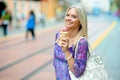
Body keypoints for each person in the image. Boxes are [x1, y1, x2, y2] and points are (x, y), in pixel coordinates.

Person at [53, 4, 89, 80]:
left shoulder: (82, 42)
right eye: (67, 15)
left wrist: (66, 51)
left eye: (74, 17)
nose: (69, 18)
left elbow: (78, 72)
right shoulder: (59, 35)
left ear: (80, 21)